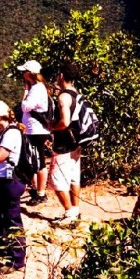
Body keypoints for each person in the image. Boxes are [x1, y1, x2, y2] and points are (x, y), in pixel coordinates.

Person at [0, 100, 27, 274]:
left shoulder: (11, 134)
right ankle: (3, 248)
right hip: (3, 179)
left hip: (11, 182)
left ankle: (17, 259)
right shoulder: (5, 131)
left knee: (12, 220)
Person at [48, 62, 83, 226]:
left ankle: (69, 213)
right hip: (76, 142)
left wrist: (52, 128)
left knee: (57, 179)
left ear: (61, 76)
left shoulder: (63, 96)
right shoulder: (78, 94)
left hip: (64, 144)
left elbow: (65, 122)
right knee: (74, 178)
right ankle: (75, 210)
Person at [18, 60, 51, 206]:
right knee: (34, 159)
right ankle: (37, 189)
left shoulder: (36, 89)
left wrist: (25, 94)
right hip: (34, 129)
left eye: (24, 72)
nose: (22, 74)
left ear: (29, 73)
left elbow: (25, 106)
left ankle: (41, 193)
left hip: (36, 130)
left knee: (39, 162)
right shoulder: (38, 88)